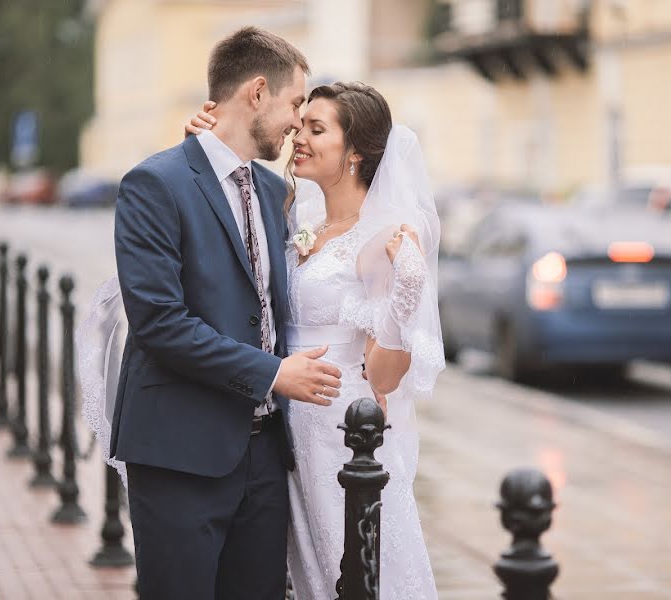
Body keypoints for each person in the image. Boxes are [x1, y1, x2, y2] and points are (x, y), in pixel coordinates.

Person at [77, 27, 342, 600]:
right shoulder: (156, 183)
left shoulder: (275, 194)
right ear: (257, 92)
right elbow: (160, 323)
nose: (298, 120)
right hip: (180, 455)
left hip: (266, 456)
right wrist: (273, 373)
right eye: (296, 103)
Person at [186, 81, 445, 598]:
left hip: (344, 429)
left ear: (354, 152)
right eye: (301, 124)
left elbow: (387, 378)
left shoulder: (387, 234)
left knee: (355, 571)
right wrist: (208, 141)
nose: (299, 136)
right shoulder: (301, 220)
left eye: (317, 128)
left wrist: (406, 292)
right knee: (306, 576)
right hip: (288, 426)